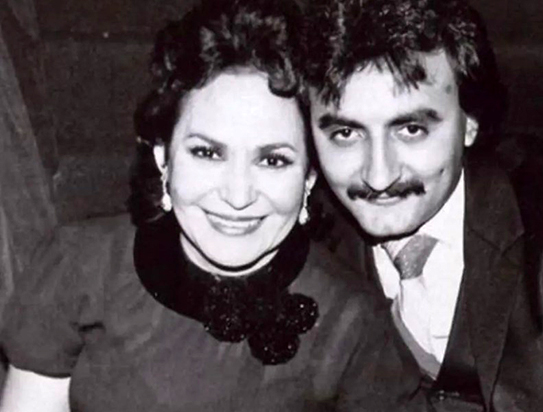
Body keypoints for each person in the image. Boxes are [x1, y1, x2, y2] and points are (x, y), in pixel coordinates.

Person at [0, 0, 423, 410]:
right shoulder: (78, 268)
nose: (238, 197)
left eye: (272, 160)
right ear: (163, 158)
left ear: (309, 177)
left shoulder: (353, 324)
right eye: (208, 153)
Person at [302, 0, 543, 410]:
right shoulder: (303, 234)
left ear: (469, 122)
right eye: (346, 134)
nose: (379, 176)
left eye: (411, 129)